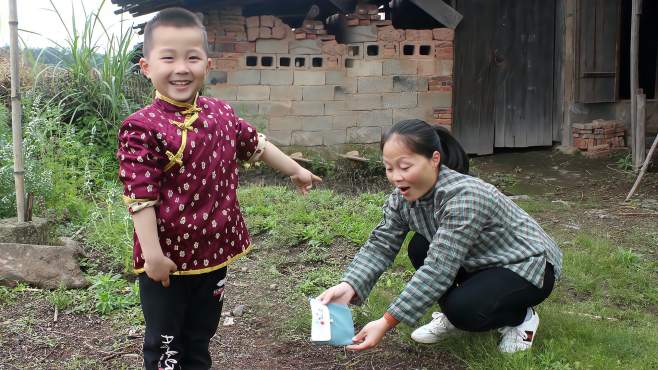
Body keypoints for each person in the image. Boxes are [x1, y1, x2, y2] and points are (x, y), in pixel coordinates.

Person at [116, 8, 321, 369]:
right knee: (165, 344)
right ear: (146, 66)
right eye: (168, 57)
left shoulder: (220, 113)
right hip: (167, 261)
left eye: (192, 57)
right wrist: (153, 256)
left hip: (214, 253)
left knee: (199, 336)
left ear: (207, 64)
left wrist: (296, 170)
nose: (181, 68)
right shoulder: (141, 127)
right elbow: (140, 197)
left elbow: (256, 143)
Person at [318, 119, 562, 353]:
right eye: (389, 168)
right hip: (482, 260)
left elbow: (439, 268)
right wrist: (348, 285)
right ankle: (461, 311)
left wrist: (386, 321)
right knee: (420, 246)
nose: (395, 177)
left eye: (405, 167)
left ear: (434, 159)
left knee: (464, 311)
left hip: (527, 265)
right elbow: (380, 246)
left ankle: (520, 318)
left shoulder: (465, 196)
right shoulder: (401, 198)